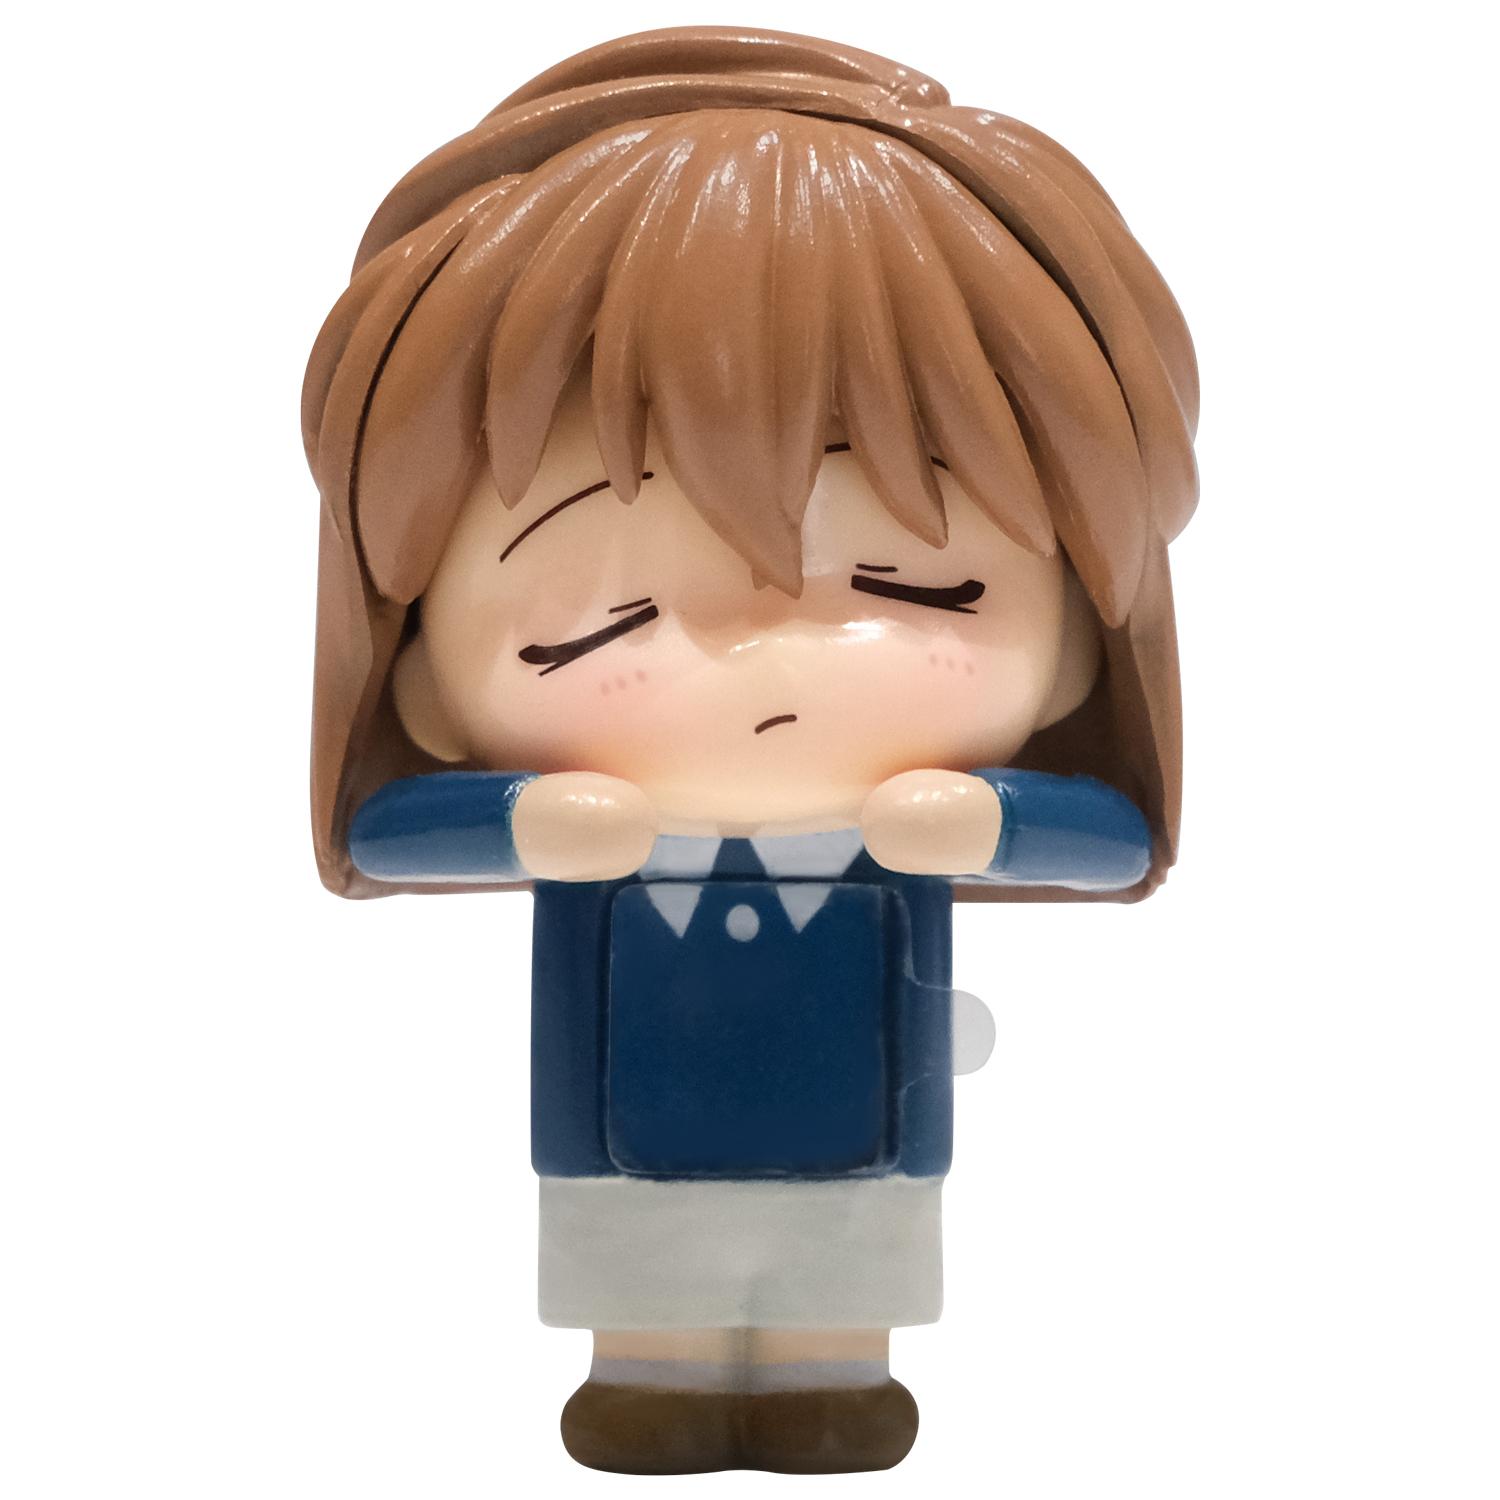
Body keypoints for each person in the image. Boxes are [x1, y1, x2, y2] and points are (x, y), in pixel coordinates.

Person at [304, 25, 1198, 1474]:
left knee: (850, 1255)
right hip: (616, 1129)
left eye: (914, 589)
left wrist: (979, 823)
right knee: (638, 1256)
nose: (762, 659)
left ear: (1078, 649)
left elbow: (1113, 844)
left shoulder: (915, 822)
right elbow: (384, 837)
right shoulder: (581, 826)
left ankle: (831, 1374)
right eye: (607, 620)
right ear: (420, 679)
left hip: (867, 1126)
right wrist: (533, 822)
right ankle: (649, 1375)